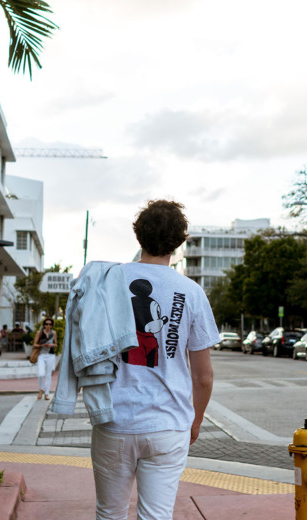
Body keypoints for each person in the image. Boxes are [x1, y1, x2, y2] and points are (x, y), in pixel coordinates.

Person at [91, 200, 217, 520]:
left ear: (139, 236)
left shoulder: (107, 281)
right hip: (168, 423)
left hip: (113, 420)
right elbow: (203, 377)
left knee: (109, 513)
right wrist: (195, 421)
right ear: (178, 241)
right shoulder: (191, 292)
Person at [33, 318, 57, 400]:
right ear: (44, 325)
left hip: (50, 355)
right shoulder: (40, 332)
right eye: (46, 324)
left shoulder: (53, 333)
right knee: (41, 374)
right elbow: (34, 344)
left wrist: (51, 345)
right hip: (41, 355)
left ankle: (46, 393)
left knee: (48, 375)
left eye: (50, 324)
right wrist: (41, 345)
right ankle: (41, 389)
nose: (48, 326)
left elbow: (56, 344)